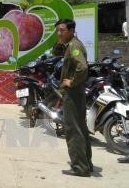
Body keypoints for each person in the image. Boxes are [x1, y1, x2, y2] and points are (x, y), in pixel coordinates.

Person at [56, 19, 93, 177]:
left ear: (71, 31)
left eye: (62, 30)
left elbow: (82, 67)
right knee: (81, 128)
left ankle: (79, 167)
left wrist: (71, 81)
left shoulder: (74, 46)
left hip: (73, 94)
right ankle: (86, 164)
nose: (59, 33)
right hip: (76, 94)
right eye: (58, 30)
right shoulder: (70, 45)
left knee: (73, 130)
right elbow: (54, 52)